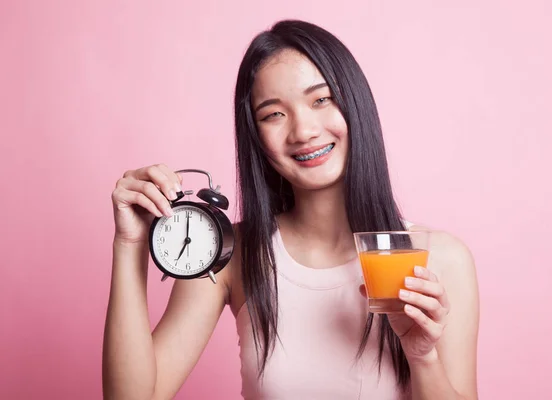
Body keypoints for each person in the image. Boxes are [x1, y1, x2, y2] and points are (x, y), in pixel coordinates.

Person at [102, 19, 480, 400]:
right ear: (256, 137)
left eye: (320, 100)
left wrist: (422, 356)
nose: (303, 130)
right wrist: (129, 243)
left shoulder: (438, 258)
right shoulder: (229, 252)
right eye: (273, 114)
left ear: (354, 104)